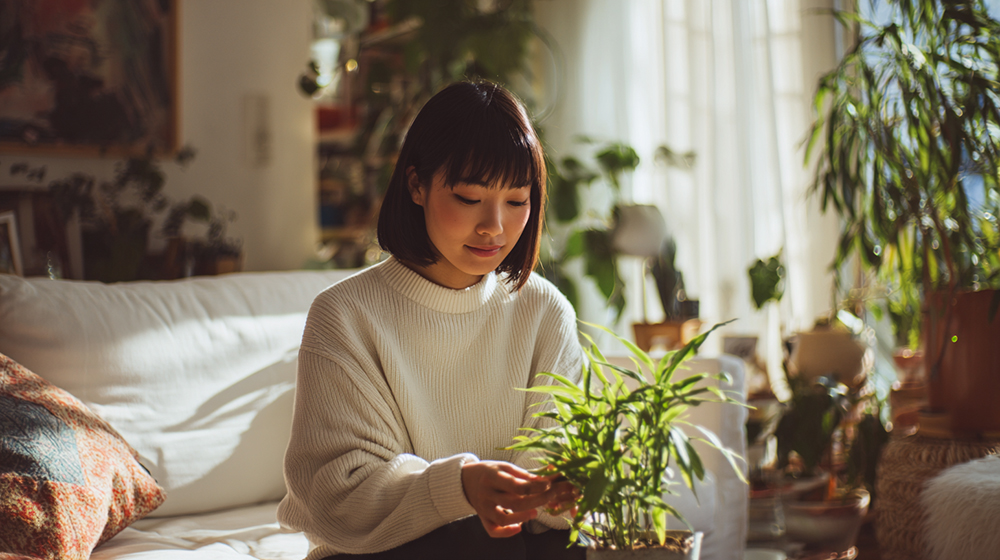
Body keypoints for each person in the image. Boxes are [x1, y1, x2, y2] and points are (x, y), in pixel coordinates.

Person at [277, 81, 586, 560]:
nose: (494, 227)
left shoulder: (544, 312)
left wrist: (567, 487)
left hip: (516, 547)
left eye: (517, 201)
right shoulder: (346, 316)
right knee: (482, 544)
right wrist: (458, 488)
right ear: (417, 185)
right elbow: (338, 497)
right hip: (378, 552)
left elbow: (557, 480)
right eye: (468, 197)